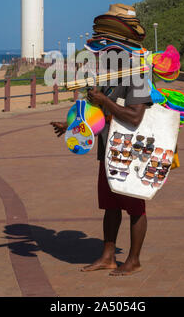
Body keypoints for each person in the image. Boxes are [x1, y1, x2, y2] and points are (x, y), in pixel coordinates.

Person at [51, 56, 152, 276]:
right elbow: (99, 118)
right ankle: (108, 257)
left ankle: (134, 260)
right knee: (111, 206)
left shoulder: (137, 77)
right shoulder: (107, 80)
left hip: (129, 154)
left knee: (135, 208)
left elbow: (134, 117)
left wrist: (103, 100)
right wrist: (70, 125)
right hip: (107, 151)